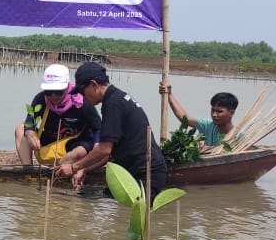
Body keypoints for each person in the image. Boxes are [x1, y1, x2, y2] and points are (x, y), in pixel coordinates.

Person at [55, 62, 167, 200]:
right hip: (135, 171)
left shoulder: (112, 104)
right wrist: (84, 169)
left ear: (93, 84)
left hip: (146, 174)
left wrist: (73, 167)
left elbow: (104, 149)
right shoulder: (117, 98)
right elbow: (110, 154)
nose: (82, 97)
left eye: (82, 91)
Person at [15, 63, 101, 165]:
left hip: (76, 142)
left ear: (67, 87)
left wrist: (97, 147)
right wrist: (30, 135)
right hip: (50, 141)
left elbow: (97, 128)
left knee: (79, 152)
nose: (53, 96)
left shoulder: (81, 101)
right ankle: (28, 170)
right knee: (21, 129)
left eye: (58, 92)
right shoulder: (41, 99)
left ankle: (62, 169)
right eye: (49, 92)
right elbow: (30, 122)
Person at [159, 84, 237, 147]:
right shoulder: (209, 126)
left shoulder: (237, 136)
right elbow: (185, 119)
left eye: (219, 111)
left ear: (231, 113)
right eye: (213, 110)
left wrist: (206, 149)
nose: (214, 114)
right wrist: (169, 95)